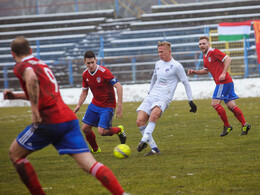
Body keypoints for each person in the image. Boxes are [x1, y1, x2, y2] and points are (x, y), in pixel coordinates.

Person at [4, 36, 128, 195]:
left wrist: (35, 113)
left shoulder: (22, 66)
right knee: (90, 164)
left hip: (49, 120)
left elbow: (31, 77)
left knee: (15, 154)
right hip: (67, 119)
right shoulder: (41, 64)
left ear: (13, 54)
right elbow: (43, 91)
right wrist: (16, 96)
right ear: (31, 50)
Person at [136, 41, 197, 156]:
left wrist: (190, 100)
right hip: (152, 95)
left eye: (162, 52)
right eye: (158, 52)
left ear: (169, 51)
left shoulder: (177, 66)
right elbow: (154, 78)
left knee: (153, 115)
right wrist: (150, 92)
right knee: (139, 121)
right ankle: (154, 149)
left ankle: (143, 141)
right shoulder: (158, 63)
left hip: (164, 97)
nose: (160, 54)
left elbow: (186, 82)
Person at [188, 36, 251, 136]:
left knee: (215, 103)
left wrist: (223, 73)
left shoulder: (214, 52)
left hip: (223, 82)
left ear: (208, 44)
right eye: (200, 44)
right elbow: (206, 70)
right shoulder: (205, 56)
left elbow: (228, 59)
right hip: (227, 82)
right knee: (231, 106)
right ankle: (245, 124)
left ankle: (227, 126)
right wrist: (195, 71)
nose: (202, 46)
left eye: (204, 43)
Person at [74, 51, 126, 154]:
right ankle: (96, 150)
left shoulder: (104, 72)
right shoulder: (85, 74)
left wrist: (119, 105)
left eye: (92, 62)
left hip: (107, 105)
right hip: (95, 104)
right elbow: (85, 91)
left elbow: (118, 86)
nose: (91, 65)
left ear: (96, 60)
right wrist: (79, 105)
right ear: (84, 62)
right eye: (88, 63)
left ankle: (119, 130)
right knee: (85, 129)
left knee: (102, 132)